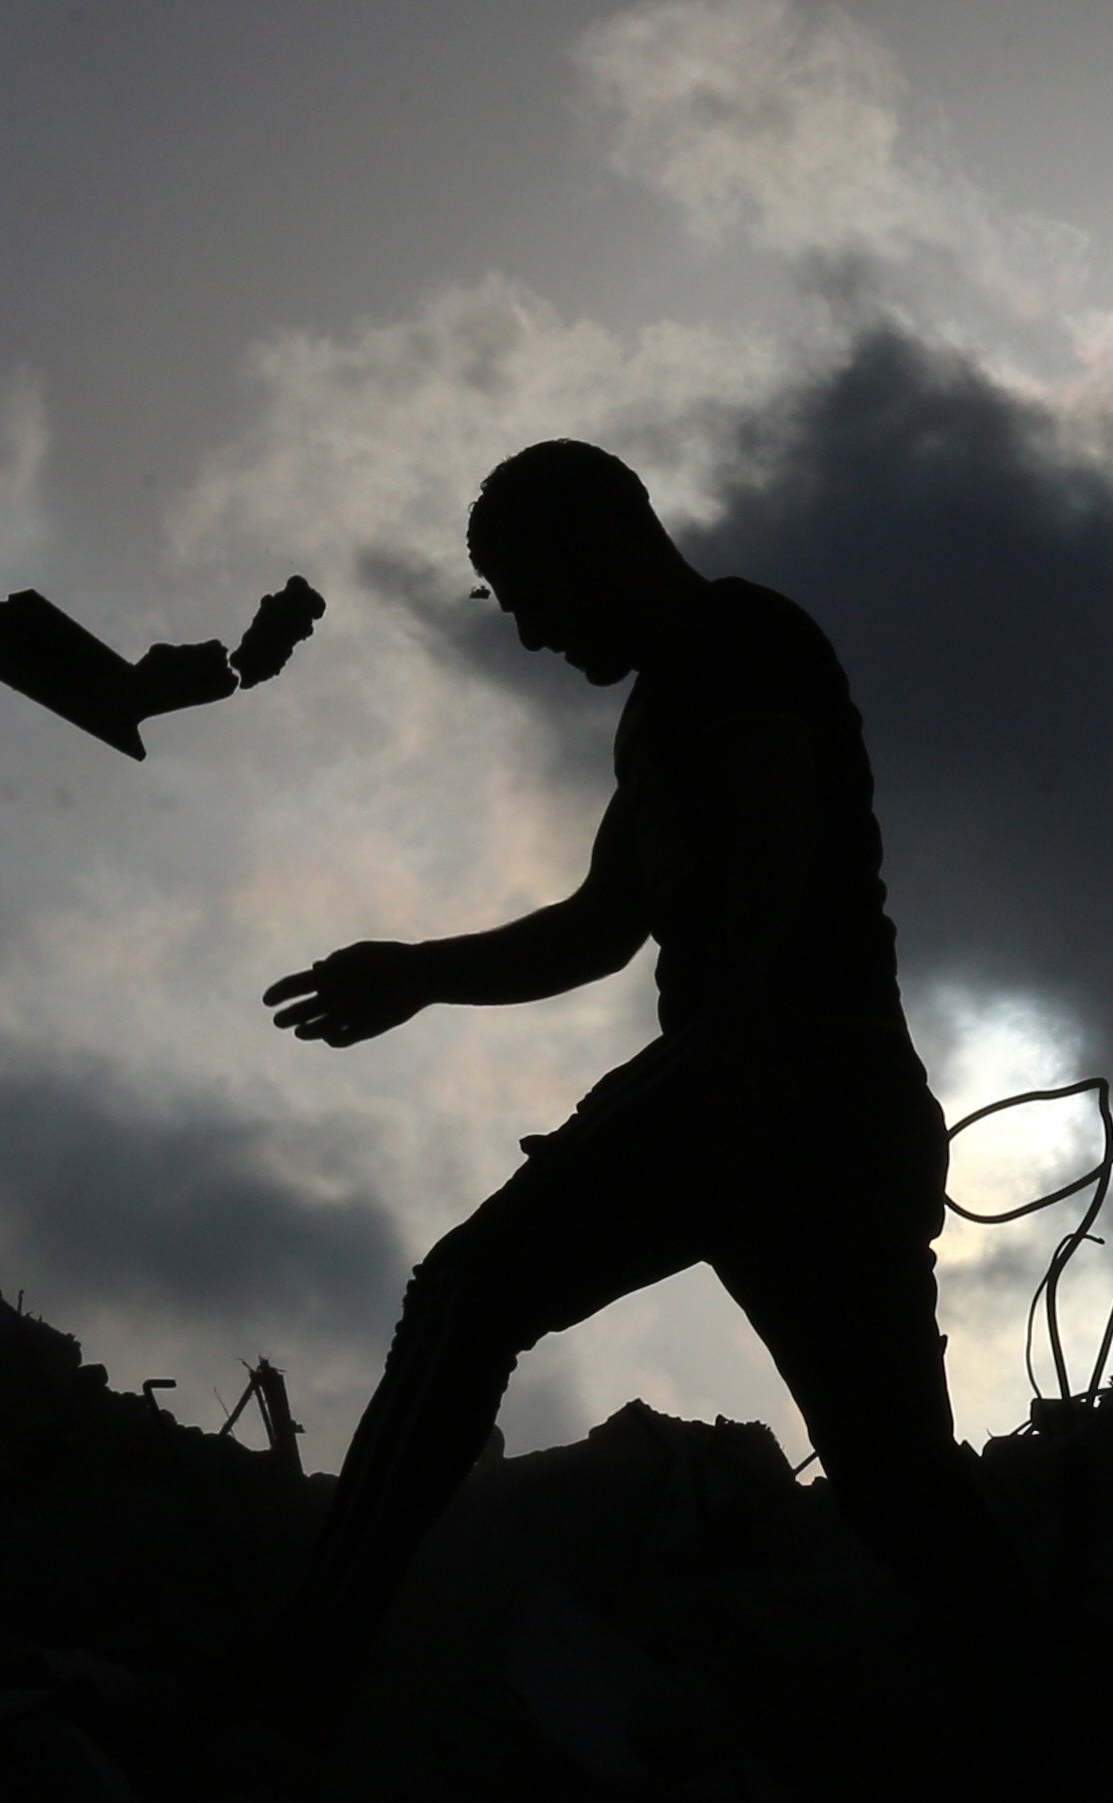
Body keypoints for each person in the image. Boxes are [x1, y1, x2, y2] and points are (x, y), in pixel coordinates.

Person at [264, 440, 974, 1693]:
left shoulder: (736, 640)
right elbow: (601, 927)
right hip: (838, 1108)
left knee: (468, 1293)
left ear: (602, 542)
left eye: (529, 592)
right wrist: (420, 972)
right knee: (901, 1488)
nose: (530, 634)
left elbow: (780, 810)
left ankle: (303, 1665)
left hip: (780, 1073)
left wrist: (734, 1014)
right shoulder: (666, 706)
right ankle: (1059, 1708)